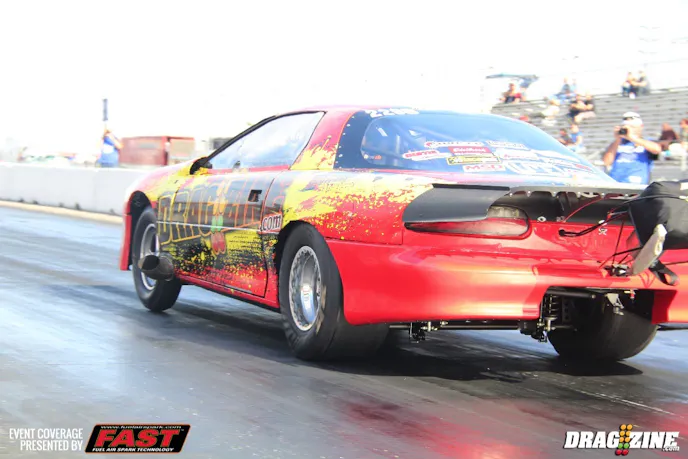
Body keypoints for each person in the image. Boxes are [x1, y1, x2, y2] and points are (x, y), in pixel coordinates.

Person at [603, 112, 662, 184]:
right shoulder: (617, 143)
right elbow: (607, 162)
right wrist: (617, 140)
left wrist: (632, 138)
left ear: (641, 126)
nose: (630, 130)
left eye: (633, 127)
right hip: (616, 182)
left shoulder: (646, 142)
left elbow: (656, 149)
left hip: (637, 183)